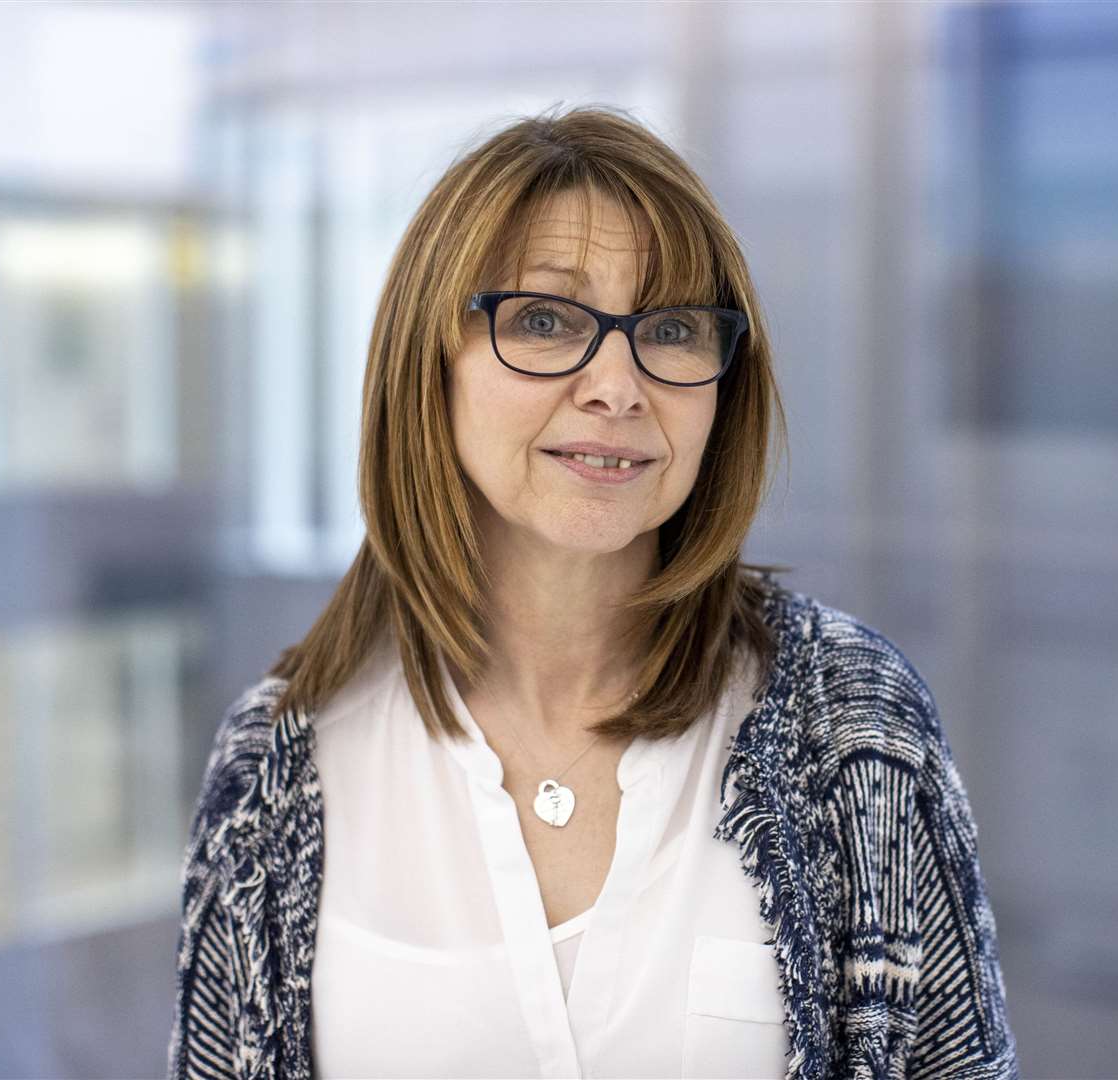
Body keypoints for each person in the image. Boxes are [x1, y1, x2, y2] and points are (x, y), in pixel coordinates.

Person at [168, 104, 1017, 1080]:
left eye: (670, 328)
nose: (617, 385)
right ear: (428, 361)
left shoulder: (852, 721)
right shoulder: (277, 760)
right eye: (543, 318)